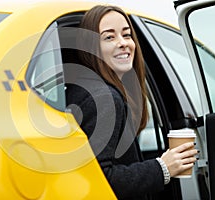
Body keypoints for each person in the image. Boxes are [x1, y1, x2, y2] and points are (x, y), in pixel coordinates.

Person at [65, 5, 198, 200]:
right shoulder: (104, 98)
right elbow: (101, 179)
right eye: (109, 37)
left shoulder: (82, 90)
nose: (123, 43)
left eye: (127, 35)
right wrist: (162, 168)